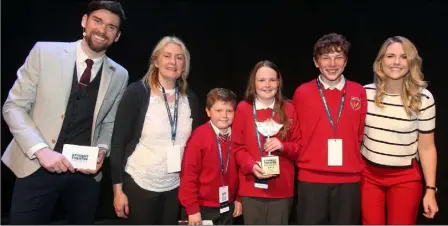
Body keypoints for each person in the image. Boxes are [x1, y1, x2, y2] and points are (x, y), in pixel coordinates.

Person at [1, 1, 127, 224]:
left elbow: (109, 121)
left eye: (111, 27)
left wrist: (103, 149)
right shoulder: (44, 52)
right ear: (84, 21)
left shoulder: (120, 75)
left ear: (117, 36)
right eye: (97, 21)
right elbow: (14, 106)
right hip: (35, 167)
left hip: (85, 176)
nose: (102, 30)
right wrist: (41, 150)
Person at [110, 35, 200, 225]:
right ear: (156, 60)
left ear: (185, 64)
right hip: (140, 183)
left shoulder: (190, 99)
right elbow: (118, 143)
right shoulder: (137, 93)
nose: (173, 62)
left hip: (175, 186)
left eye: (179, 57)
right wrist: (118, 191)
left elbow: (195, 147)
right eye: (167, 56)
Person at [361, 36, 439, 224]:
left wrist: (431, 190)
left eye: (404, 57)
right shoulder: (363, 93)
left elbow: (427, 148)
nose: (396, 62)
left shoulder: (424, 98)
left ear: (411, 62)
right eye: (390, 56)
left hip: (405, 179)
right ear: (381, 61)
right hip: (368, 177)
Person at [292, 33, 367, 225]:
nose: (332, 63)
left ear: (346, 61)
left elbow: (359, 134)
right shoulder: (302, 92)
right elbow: (296, 134)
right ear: (316, 62)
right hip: (311, 179)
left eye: (338, 57)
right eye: (325, 57)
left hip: (349, 180)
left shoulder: (359, 92)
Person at [231, 60, 301, 225]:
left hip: (282, 190)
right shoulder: (243, 109)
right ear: (253, 83)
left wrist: (283, 146)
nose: (267, 84)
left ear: (278, 82)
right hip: (251, 188)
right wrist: (251, 166)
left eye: (272, 79)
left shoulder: (289, 108)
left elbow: (299, 147)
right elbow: (237, 148)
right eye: (261, 80)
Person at [179, 88, 243, 225]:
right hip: (201, 208)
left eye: (229, 111)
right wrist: (192, 209)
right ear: (208, 112)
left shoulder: (239, 135)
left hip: (228, 205)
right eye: (218, 110)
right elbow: (188, 175)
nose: (224, 115)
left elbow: (242, 171)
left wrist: (239, 198)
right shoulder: (199, 137)